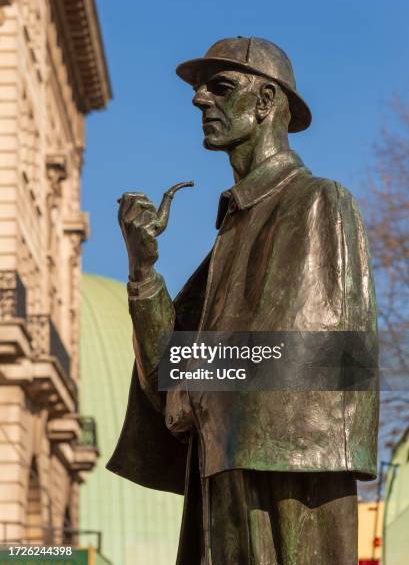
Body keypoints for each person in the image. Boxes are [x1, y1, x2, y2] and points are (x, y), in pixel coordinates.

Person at [107, 37, 378, 564]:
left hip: (284, 484)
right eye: (201, 89)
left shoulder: (319, 201)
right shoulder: (229, 234)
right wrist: (144, 272)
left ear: (266, 103)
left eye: (221, 87)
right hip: (220, 470)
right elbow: (168, 377)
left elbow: (330, 363)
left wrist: (198, 379)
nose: (199, 100)